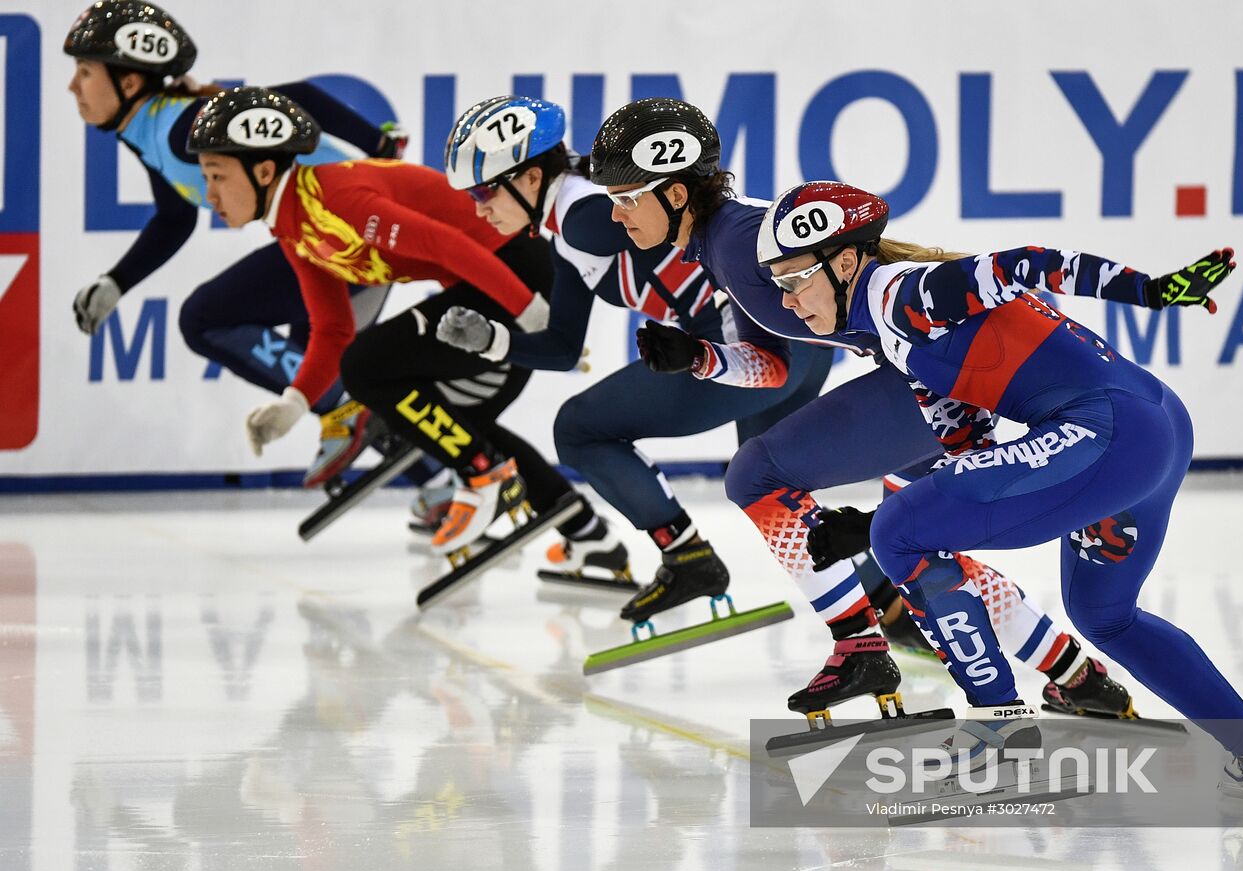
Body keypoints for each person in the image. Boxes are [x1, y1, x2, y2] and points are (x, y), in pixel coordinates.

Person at [588, 99, 1144, 727]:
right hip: (939, 381)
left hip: (938, 380)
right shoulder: (724, 246)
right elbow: (773, 367)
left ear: (676, 193)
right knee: (920, 550)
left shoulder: (741, 244)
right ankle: (1074, 673)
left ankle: (859, 647)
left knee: (755, 475)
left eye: (626, 197)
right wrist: (699, 358)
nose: (615, 214)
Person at [756, 178, 1243, 796]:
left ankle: (999, 725)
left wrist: (1147, 291)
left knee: (899, 530)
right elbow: (972, 457)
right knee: (1104, 616)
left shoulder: (903, 294)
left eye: (794, 279)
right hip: (1153, 429)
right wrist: (873, 527)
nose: (787, 301)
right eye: (778, 284)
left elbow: (1027, 264)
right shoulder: (896, 338)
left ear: (846, 263)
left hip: (1108, 434)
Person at [434, 95, 832, 620]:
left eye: (483, 190)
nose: (478, 208)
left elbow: (691, 212)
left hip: (745, 348)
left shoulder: (582, 217)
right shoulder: (569, 228)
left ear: (530, 178)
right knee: (775, 494)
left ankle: (686, 556)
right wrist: (492, 340)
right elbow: (562, 347)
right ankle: (887, 603)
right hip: (794, 345)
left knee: (578, 428)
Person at [185, 87, 594, 554]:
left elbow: (444, 244)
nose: (209, 194)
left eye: (216, 176)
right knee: (457, 420)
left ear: (263, 172)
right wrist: (295, 402)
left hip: (512, 273)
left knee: (366, 366)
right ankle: (588, 534)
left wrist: (531, 312)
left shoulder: (333, 199)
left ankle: (483, 475)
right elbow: (333, 328)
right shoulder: (295, 227)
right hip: (496, 282)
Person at [63, 1, 411, 486]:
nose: (72, 87)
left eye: (84, 72)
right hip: (333, 237)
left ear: (129, 82)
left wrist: (380, 146)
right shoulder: (150, 130)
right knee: (321, 368)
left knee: (203, 319)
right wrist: (117, 281)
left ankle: (347, 406)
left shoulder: (180, 126)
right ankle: (437, 472)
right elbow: (174, 218)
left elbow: (296, 97)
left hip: (343, 233)